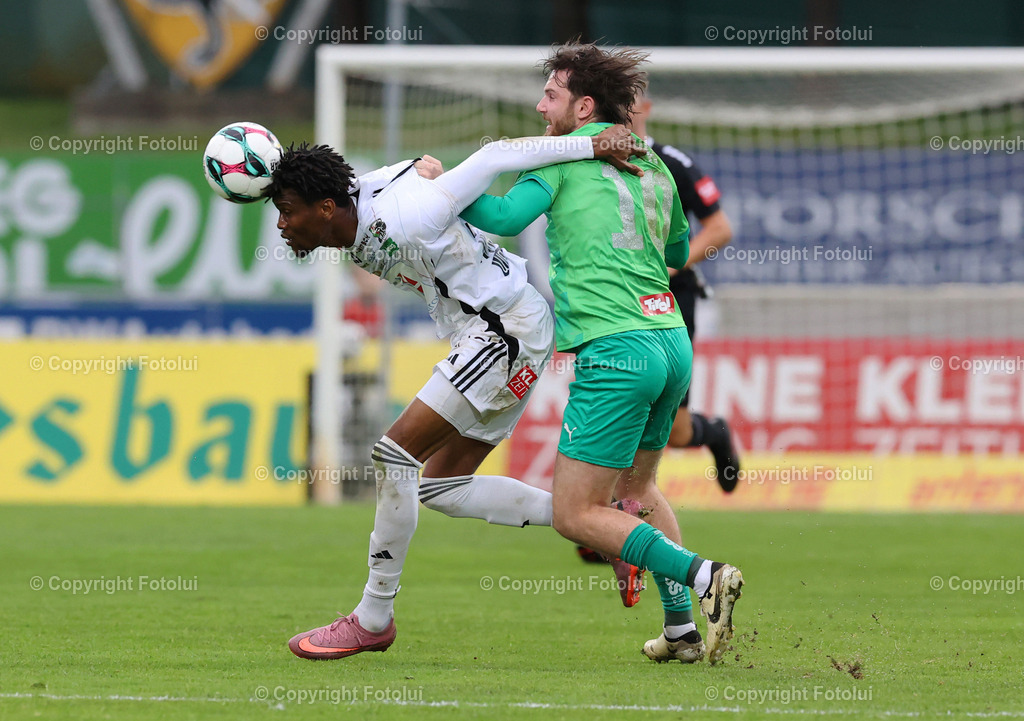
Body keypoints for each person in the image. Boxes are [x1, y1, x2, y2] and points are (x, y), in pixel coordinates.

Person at [270, 126, 646, 660]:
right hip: (512, 330)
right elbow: (394, 173)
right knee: (439, 486)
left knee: (393, 456)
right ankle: (608, 523)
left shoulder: (409, 215)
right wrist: (424, 164)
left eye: (287, 210)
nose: (282, 226)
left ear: (327, 206)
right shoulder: (364, 201)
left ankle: (373, 617)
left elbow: (496, 154)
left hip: (502, 331)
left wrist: (593, 145)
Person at [457, 42, 744, 665]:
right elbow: (675, 255)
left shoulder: (561, 162)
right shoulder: (656, 167)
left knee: (574, 513)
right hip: (671, 342)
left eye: (551, 96)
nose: (540, 107)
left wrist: (442, 186)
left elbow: (504, 216)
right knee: (638, 488)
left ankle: (705, 576)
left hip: (616, 352)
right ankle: (681, 632)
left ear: (583, 107)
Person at [630, 93, 741, 493]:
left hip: (670, 301)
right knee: (620, 406)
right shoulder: (592, 166)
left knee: (674, 431)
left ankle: (713, 432)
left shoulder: (672, 163)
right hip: (618, 301)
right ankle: (600, 520)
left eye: (632, 99)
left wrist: (668, 266)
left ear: (648, 105)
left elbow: (720, 229)